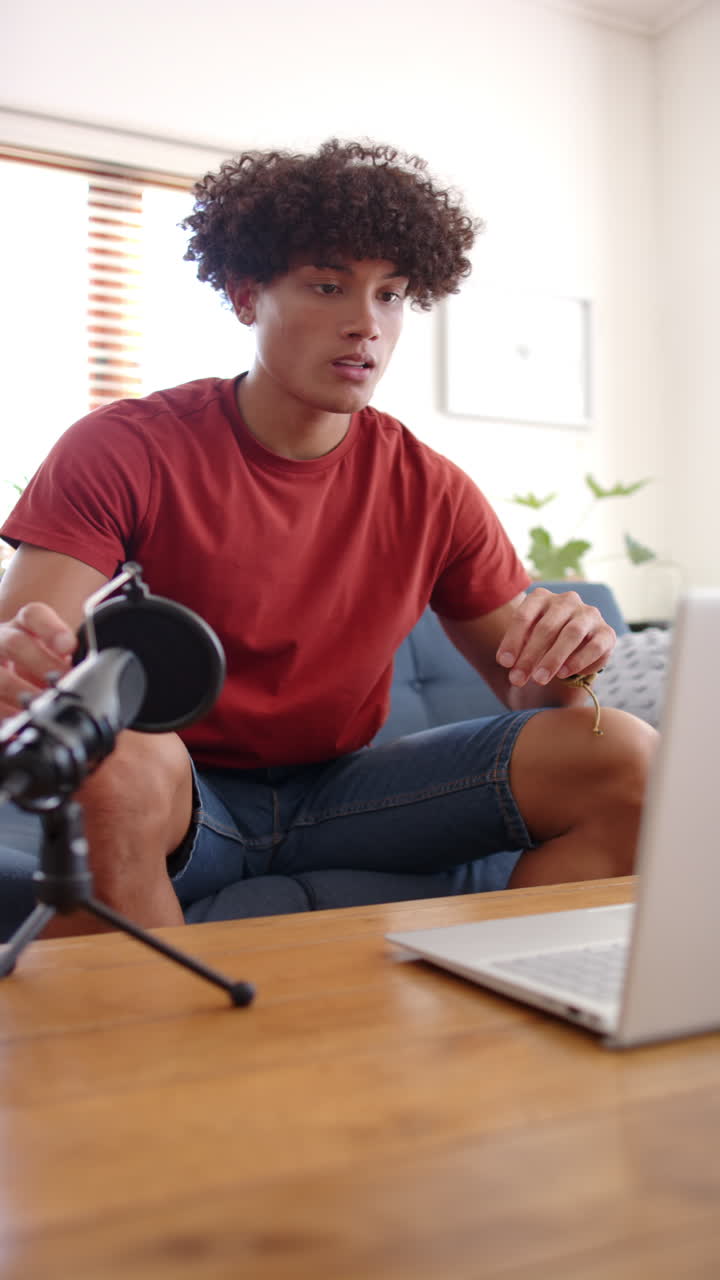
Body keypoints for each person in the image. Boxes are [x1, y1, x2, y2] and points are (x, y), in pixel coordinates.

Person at [0, 139, 656, 937]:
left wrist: (568, 651)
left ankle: (501, 1009)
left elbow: (536, 694)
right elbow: (36, 680)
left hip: (347, 795)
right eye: (327, 285)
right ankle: (143, 1047)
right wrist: (25, 663)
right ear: (246, 296)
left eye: (392, 296)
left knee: (624, 754)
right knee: (118, 756)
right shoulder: (125, 446)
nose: (364, 325)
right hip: (182, 792)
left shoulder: (432, 487)